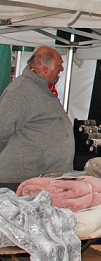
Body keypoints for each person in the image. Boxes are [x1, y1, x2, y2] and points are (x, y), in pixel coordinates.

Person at [0, 46, 73, 187]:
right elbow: (2, 129)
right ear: (45, 69)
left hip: (36, 178)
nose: (62, 70)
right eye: (60, 65)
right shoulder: (20, 91)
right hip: (18, 180)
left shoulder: (40, 88)